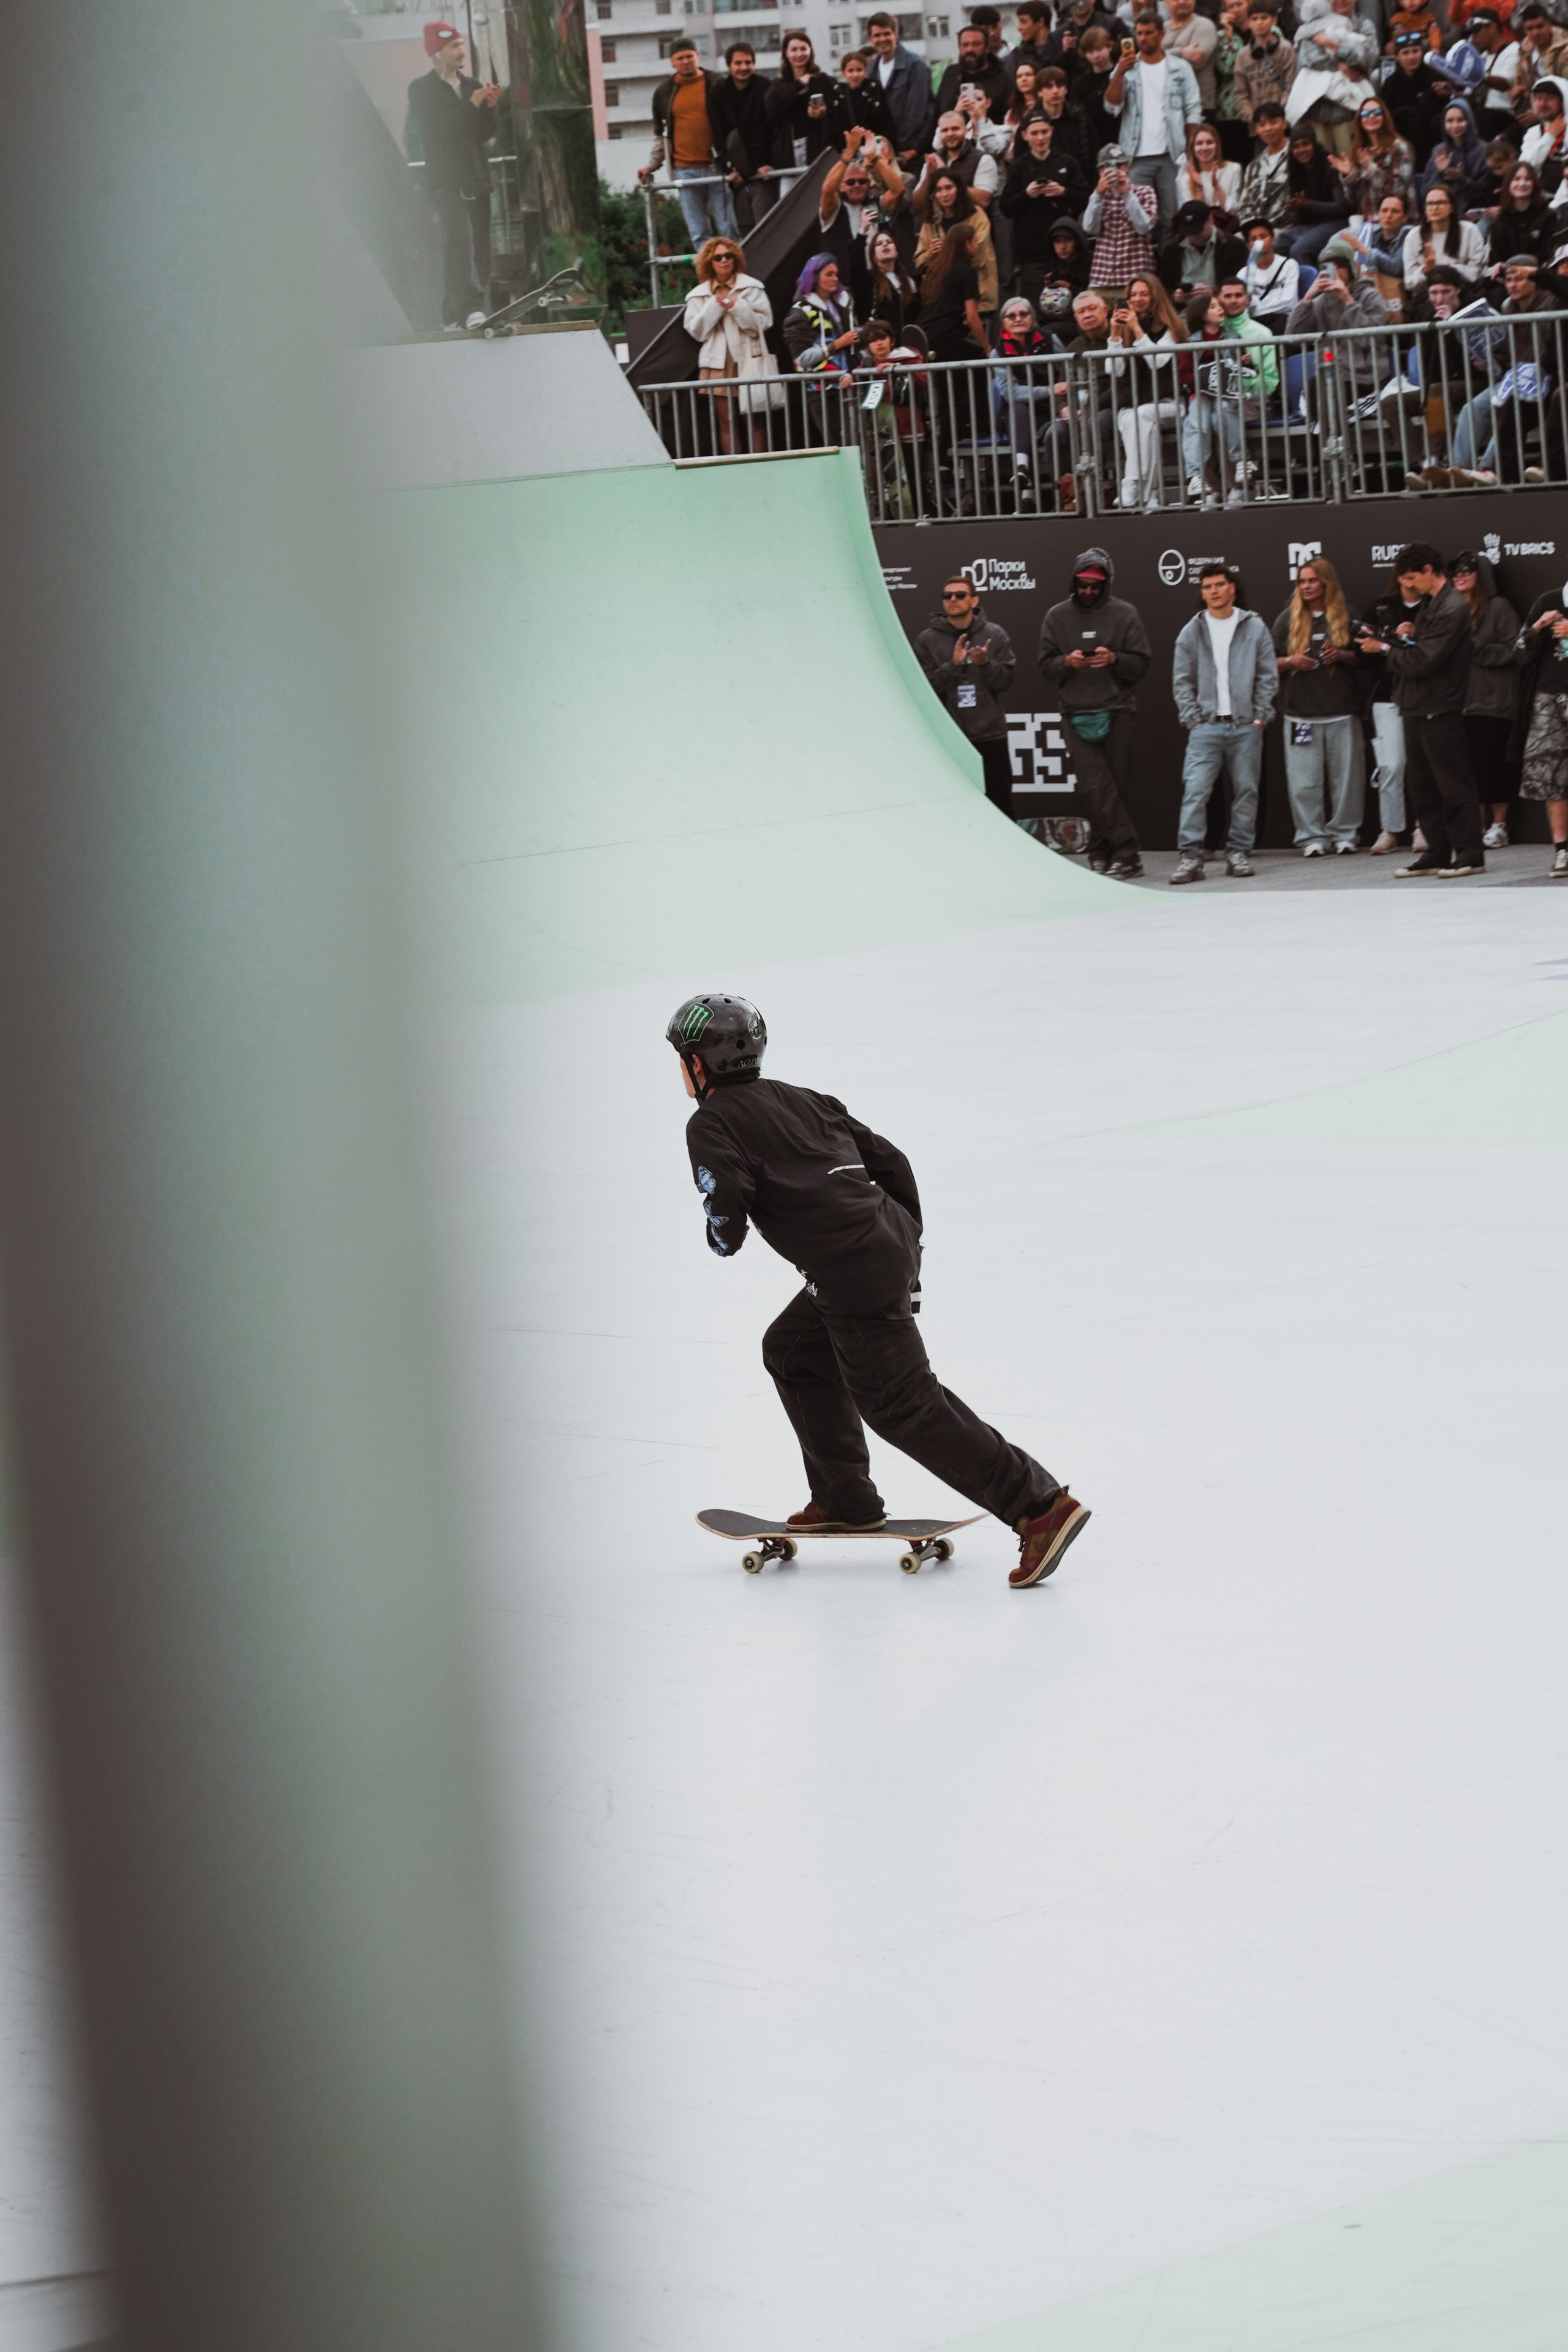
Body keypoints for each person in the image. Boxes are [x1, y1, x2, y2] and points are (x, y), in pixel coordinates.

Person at [668, 995, 1090, 1589]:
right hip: (881, 1245)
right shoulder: (805, 1099)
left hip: (851, 1269)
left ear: (698, 1063)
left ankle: (1038, 1506)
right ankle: (844, 1498)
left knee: (903, 1404)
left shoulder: (711, 1122)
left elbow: (728, 1208)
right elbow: (891, 1162)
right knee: (793, 1351)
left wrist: (720, 1234)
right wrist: (906, 1246)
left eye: (680, 1059)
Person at [1354, 542, 1486, 876]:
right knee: (1422, 787)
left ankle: (1470, 854)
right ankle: (1437, 852)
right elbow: (1421, 649)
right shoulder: (1431, 604)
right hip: (1415, 705)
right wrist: (1408, 634)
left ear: (1429, 570)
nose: (1408, 586)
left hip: (1439, 705)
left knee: (1453, 784)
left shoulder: (1452, 607)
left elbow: (1425, 660)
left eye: (1411, 578)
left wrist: (1384, 648)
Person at [1037, 548, 1152, 874]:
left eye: (1095, 586)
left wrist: (1114, 659)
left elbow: (1141, 664)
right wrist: (1066, 662)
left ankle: (1103, 851)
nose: (1088, 591)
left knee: (1115, 788)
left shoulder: (1125, 613)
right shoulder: (1056, 616)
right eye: (1083, 585)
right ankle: (1127, 852)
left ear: (1106, 584)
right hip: (1075, 712)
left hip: (1117, 710)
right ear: (1074, 582)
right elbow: (1045, 667)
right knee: (1093, 787)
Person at [1170, 562, 1278, 881]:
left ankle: (1238, 853)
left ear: (1232, 588)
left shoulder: (1254, 627)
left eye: (1219, 585)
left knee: (1246, 792)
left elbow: (1268, 675)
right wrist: (1193, 719)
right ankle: (1191, 858)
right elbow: (1181, 680)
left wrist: (1260, 716)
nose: (1214, 591)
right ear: (1202, 593)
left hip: (1246, 726)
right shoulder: (1192, 631)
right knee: (1195, 791)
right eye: (1207, 587)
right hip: (1206, 727)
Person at [406, 21, 502, 333]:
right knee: (460, 242)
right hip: (447, 182)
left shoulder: (472, 85)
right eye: (454, 47)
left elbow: (483, 134)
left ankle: (453, 314)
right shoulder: (421, 89)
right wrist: (472, 104)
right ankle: (473, 308)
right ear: (437, 53)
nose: (462, 52)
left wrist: (489, 108)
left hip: (477, 178)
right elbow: (440, 132)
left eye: (462, 45)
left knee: (481, 249)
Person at [1271, 556, 1366, 854]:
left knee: (1347, 781)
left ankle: (1345, 834)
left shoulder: (1347, 615)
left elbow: (1367, 658)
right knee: (1304, 783)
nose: (1307, 586)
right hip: (1301, 715)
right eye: (1302, 581)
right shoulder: (1287, 619)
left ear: (1326, 583)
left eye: (1313, 580)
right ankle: (1312, 837)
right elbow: (1266, 663)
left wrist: (1342, 655)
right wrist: (1292, 661)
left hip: (1342, 711)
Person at [915, 573, 1016, 804]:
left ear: (974, 600)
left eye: (960, 595)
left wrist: (985, 664)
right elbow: (925, 689)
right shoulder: (927, 641)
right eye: (948, 596)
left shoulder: (995, 635)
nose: (953, 600)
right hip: (949, 739)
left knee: (1000, 804)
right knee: (955, 805)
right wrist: (953, 666)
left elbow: (1005, 682)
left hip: (991, 736)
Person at [1104, 9, 1204, 235]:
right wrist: (1119, 73)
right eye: (1139, 33)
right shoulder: (1127, 69)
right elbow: (1111, 106)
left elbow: (1193, 110)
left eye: (1149, 33)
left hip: (1172, 155)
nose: (1143, 38)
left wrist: (1191, 151)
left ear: (1162, 34)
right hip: (1136, 156)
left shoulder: (1180, 68)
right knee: (1138, 220)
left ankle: (1169, 259)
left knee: (1173, 220)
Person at [1447, 551, 1524, 848]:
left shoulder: (1499, 607)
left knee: (1495, 766)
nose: (1460, 576)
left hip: (1494, 702)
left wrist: (1474, 648)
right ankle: (1476, 828)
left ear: (1481, 575)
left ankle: (1499, 826)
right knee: (1469, 769)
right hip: (1458, 702)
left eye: (1466, 571)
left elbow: (1515, 649)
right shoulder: (1450, 610)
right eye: (1455, 572)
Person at [641, 39, 738, 247]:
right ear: (672, 62)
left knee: (729, 227)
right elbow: (661, 135)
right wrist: (652, 165)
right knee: (698, 232)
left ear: (698, 56)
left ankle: (735, 267)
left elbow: (733, 126)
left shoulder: (717, 83)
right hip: (685, 170)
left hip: (717, 166)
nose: (685, 62)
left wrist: (736, 161)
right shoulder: (663, 92)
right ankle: (707, 268)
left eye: (689, 57)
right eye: (680, 58)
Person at [684, 235, 773, 455]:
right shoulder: (699, 295)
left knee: (755, 420)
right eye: (718, 258)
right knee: (727, 423)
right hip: (717, 363)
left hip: (749, 358)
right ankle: (737, 470)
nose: (724, 260)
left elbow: (763, 324)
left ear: (735, 259)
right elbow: (697, 331)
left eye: (728, 256)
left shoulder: (751, 288)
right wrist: (715, 306)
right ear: (710, 263)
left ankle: (761, 468)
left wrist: (737, 306)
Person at [1182, 286, 1269, 500]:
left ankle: (1241, 461)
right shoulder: (1191, 342)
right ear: (1202, 314)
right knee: (1199, 423)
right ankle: (1196, 475)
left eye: (1219, 306)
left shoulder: (1232, 336)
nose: (1220, 309)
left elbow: (1242, 366)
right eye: (1213, 307)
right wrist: (1204, 379)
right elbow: (1184, 373)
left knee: (1222, 414)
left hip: (1227, 393)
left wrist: (1244, 362)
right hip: (1202, 394)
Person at [1107, 271, 1186, 505]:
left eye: (1144, 294)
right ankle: (1151, 496)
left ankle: (1131, 480)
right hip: (1133, 405)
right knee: (1138, 421)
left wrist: (1137, 329)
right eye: (1133, 295)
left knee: (1142, 415)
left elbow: (1157, 361)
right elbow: (1114, 370)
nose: (1137, 299)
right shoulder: (1124, 329)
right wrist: (1115, 334)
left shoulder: (1170, 327)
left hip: (1170, 403)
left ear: (1155, 296)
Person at [1001, 119, 1092, 305]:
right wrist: (1027, 195)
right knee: (1034, 306)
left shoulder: (1067, 161)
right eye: (1035, 133)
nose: (1040, 138)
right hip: (1032, 254)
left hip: (1069, 255)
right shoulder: (1018, 166)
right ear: (1025, 136)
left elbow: (1086, 198)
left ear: (1052, 131)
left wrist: (1064, 192)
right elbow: (1006, 207)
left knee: (1075, 306)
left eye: (1044, 132)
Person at [1515, 579, 1568, 877]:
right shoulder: (1548, 601)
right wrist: (1537, 628)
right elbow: (1519, 653)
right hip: (1550, 699)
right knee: (1551, 776)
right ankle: (1562, 850)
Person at [1288, 0, 1379, 159]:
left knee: (1352, 163)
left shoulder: (1363, 25)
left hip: (1349, 115)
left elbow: (1369, 56)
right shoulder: (1315, 24)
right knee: (1321, 165)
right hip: (1318, 112)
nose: (1340, 1)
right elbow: (1309, 59)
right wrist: (1342, 66)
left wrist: (1332, 45)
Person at [710, 44, 777, 235]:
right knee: (744, 231)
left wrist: (760, 163)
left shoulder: (764, 87)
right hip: (736, 178)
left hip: (760, 173)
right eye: (738, 63)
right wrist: (730, 167)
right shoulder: (719, 91)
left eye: (748, 62)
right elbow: (718, 134)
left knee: (766, 228)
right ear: (729, 66)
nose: (743, 67)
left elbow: (764, 130)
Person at [914, 177, 998, 319]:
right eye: (939, 190)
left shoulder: (976, 214)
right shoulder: (930, 223)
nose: (944, 194)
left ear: (959, 189)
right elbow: (919, 262)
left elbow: (979, 256)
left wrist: (947, 252)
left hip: (979, 298)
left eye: (949, 188)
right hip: (943, 301)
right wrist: (931, 254)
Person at [1083, 141, 1161, 287]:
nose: (1115, 171)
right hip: (1102, 278)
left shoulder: (1145, 192)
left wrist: (1127, 195)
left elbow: (1144, 228)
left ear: (1127, 167)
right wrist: (1098, 195)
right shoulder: (1098, 197)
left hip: (1136, 279)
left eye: (1119, 166)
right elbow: (1089, 228)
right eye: (1108, 167)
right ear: (1100, 172)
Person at [765, 33, 848, 170]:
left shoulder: (824, 81)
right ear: (786, 53)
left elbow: (838, 112)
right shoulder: (778, 85)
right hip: (788, 157)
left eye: (803, 49)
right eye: (794, 50)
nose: (799, 54)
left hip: (819, 152)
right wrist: (799, 84)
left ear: (810, 51)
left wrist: (823, 112)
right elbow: (771, 108)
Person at [865, 12, 937, 167]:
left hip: (910, 152)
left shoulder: (916, 65)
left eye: (887, 34)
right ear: (870, 39)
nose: (882, 39)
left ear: (896, 34)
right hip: (884, 154)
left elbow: (916, 114)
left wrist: (898, 150)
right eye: (877, 35)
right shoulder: (871, 69)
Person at [1330, 94, 1415, 219]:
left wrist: (1372, 170)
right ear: (1360, 120)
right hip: (1369, 220)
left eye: (1377, 112)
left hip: (1398, 220)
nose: (1371, 116)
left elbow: (1398, 192)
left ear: (1385, 117)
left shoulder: (1400, 147)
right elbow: (1354, 200)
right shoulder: (1361, 151)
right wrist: (1349, 176)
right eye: (1366, 113)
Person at [919, 219, 992, 359]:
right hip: (947, 337)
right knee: (980, 361)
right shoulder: (968, 272)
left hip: (924, 336)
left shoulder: (934, 271)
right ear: (966, 244)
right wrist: (988, 348)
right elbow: (972, 317)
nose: (978, 245)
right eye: (975, 241)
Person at [1279, 123, 1351, 265]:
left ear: (1314, 145)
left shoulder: (1329, 166)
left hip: (1336, 223)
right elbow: (1301, 216)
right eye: (1296, 147)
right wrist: (1295, 208)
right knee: (1281, 243)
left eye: (1305, 144)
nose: (1301, 150)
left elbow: (1341, 207)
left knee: (1299, 249)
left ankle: (1312, 279)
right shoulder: (1296, 171)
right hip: (1311, 226)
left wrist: (1308, 205)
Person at [782, 252, 859, 376]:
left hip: (853, 378)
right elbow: (802, 359)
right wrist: (837, 344)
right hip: (823, 384)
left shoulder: (845, 303)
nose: (835, 279)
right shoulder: (799, 312)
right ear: (814, 277)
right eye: (829, 274)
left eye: (836, 274)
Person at [916, 110, 1002, 215]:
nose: (950, 134)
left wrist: (946, 173)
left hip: (971, 223)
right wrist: (928, 177)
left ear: (966, 130)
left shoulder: (983, 159)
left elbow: (983, 201)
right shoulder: (933, 161)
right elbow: (917, 206)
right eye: (945, 130)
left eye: (955, 129)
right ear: (939, 134)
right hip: (937, 223)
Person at [1385, 31, 1451, 168]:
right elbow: (1385, 112)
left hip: (1429, 134)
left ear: (1422, 53)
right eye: (1405, 53)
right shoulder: (1391, 83)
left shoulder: (1435, 76)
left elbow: (1428, 109)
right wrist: (1407, 112)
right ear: (1397, 57)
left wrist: (1403, 112)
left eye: (1415, 51)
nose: (1411, 57)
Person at [1159, 200, 1249, 295]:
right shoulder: (1172, 251)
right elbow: (1165, 287)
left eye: (1198, 230)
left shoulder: (1234, 247)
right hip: (1184, 304)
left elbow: (1243, 284)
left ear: (1211, 219)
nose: (1194, 236)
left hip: (1222, 302)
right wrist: (1174, 295)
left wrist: (1215, 293)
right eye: (1189, 232)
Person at [1404, 182, 1488, 284]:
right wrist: (1426, 270)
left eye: (1440, 203)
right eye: (1430, 204)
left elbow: (1477, 272)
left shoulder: (1469, 230)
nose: (1434, 208)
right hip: (1427, 290)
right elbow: (1409, 282)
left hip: (1464, 288)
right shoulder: (1414, 236)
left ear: (1452, 207)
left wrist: (1447, 269)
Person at [1416, 99, 1494, 208]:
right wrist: (1440, 173)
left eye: (1460, 120)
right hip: (1444, 210)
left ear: (1470, 120)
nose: (1455, 126)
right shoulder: (1439, 151)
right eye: (1450, 121)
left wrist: (1461, 179)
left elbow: (1485, 192)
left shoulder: (1484, 150)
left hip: (1475, 210)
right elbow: (1426, 192)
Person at [934, 21, 1013, 121]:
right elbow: (937, 114)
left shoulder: (1003, 78)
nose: (970, 49)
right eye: (965, 45)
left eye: (976, 44)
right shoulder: (952, 74)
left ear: (987, 48)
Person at [1235, 1, 1297, 126]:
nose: (1259, 23)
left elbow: (1291, 86)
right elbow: (1240, 94)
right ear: (1248, 23)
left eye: (1264, 18)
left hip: (1283, 120)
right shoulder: (1243, 56)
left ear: (1274, 20)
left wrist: (1279, 115)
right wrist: (1254, 118)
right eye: (1254, 19)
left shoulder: (1286, 49)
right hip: (1258, 124)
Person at [1487, 157, 1555, 267]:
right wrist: (1498, 266)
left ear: (1534, 184)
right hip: (1509, 274)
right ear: (1508, 184)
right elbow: (1495, 259)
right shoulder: (1499, 222)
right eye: (1517, 179)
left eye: (1528, 179)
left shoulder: (1548, 216)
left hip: (1539, 272)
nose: (1522, 184)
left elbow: (1548, 254)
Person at [1237, 100, 1294, 226]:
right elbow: (1245, 204)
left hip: (1288, 227)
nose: (1268, 129)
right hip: (1256, 230)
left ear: (1284, 124)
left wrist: (1266, 228)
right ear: (1256, 129)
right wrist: (1252, 228)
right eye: (1262, 125)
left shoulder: (1297, 155)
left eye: (1273, 123)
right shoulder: (1253, 167)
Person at [1241, 214, 1305, 320]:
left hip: (1283, 319)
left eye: (1263, 237)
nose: (1259, 241)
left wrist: (1258, 308)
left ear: (1273, 240)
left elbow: (1290, 303)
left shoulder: (1289, 265)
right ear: (1248, 245)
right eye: (1253, 239)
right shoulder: (1243, 274)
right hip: (1256, 321)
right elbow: (1245, 306)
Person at [1164, 0, 1220, 118]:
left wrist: (1161, 55)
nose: (1182, 2)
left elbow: (1197, 61)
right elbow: (1149, 60)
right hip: (1167, 105)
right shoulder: (1162, 29)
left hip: (1199, 106)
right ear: (1166, 2)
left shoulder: (1204, 25)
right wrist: (1182, 52)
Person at [864, 227, 923, 338]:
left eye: (889, 242)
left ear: (897, 252)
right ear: (873, 256)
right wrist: (862, 233)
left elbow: (918, 314)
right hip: (883, 342)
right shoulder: (870, 281)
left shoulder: (909, 282)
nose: (885, 245)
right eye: (879, 244)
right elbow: (855, 268)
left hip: (908, 343)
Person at [1178, 124, 1244, 213]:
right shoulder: (1186, 179)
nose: (1204, 148)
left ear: (1217, 146)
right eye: (1199, 144)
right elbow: (1194, 215)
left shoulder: (1234, 170)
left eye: (1209, 143)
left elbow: (1236, 209)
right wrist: (1199, 188)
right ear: (1193, 149)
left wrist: (1217, 187)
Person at [1519, 72, 1568, 190]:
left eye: (1550, 99)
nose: (1543, 104)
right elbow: (1525, 170)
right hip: (1539, 197)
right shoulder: (1533, 133)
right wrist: (1550, 137)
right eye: (1539, 98)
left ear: (1563, 101)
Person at [837, 48, 895, 143]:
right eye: (851, 71)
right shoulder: (839, 94)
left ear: (865, 71)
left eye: (859, 70)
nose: (855, 75)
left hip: (873, 145)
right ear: (844, 73)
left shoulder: (873, 89)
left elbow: (884, 121)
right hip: (850, 147)